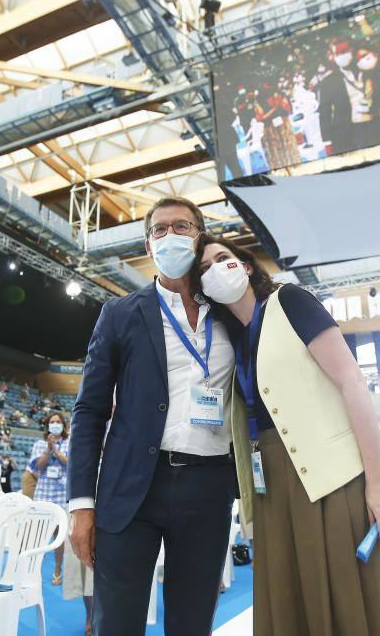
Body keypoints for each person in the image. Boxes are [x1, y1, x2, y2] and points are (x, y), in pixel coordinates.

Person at [195, 234, 380, 635]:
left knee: (352, 594)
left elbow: (352, 380)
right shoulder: (232, 341)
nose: (214, 269)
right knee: (291, 597)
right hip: (272, 487)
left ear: (245, 266)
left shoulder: (289, 301)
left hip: (333, 478)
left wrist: (377, 481)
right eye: (203, 268)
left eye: (222, 257)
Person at [68, 198, 237, 636]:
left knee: (191, 621)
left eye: (181, 226)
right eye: (159, 229)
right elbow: (89, 410)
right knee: (117, 623)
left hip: (208, 485)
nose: (170, 235)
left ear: (200, 238)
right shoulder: (120, 314)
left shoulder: (231, 314)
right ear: (148, 245)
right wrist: (81, 504)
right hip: (132, 488)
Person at [30, 412, 70, 585]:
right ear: (47, 426)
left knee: (58, 536)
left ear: (63, 425)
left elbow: (70, 463)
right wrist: (48, 449)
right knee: (38, 535)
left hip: (61, 495)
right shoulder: (39, 444)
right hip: (43, 495)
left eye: (58, 422)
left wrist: (56, 450)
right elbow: (38, 466)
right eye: (52, 422)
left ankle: (57, 569)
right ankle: (34, 570)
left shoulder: (70, 443)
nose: (55, 424)